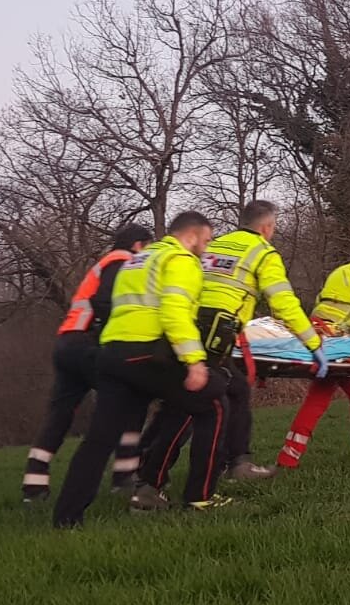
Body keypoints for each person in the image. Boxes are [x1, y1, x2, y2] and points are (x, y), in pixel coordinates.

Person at [52, 211, 229, 528]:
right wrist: (194, 361)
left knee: (99, 439)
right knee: (214, 402)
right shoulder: (181, 260)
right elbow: (175, 311)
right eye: (206, 240)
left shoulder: (138, 259)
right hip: (146, 353)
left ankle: (66, 518)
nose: (207, 246)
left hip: (109, 355)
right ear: (191, 236)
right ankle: (200, 498)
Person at [193, 199, 327, 481]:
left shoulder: (213, 246)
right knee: (200, 403)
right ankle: (167, 479)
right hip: (218, 333)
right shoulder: (263, 252)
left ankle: (232, 463)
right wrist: (313, 344)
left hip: (187, 327)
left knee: (233, 391)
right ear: (267, 227)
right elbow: (283, 304)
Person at [21, 223, 153, 502]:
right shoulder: (123, 262)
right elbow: (105, 301)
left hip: (67, 343)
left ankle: (34, 484)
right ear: (139, 245)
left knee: (60, 412)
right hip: (89, 344)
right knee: (130, 398)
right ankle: (124, 476)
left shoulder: (102, 263)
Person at [277, 244, 350, 468]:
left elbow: (322, 306)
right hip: (341, 344)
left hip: (321, 339)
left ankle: (289, 456)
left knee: (324, 398)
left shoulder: (342, 271)